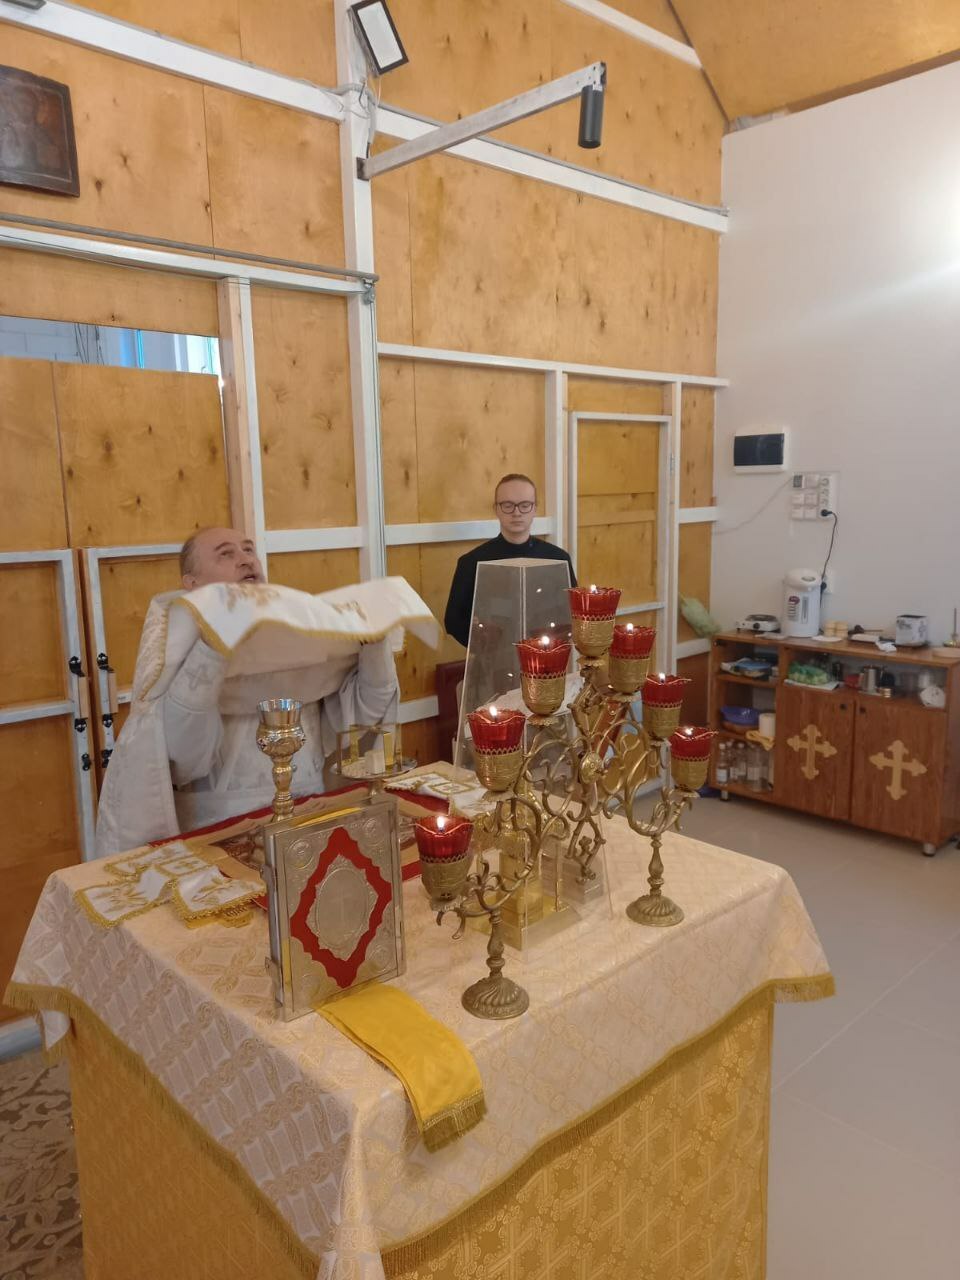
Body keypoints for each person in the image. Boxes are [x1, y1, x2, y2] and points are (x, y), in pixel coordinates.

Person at [94, 526, 399, 853]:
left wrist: (374, 644)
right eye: (226, 554)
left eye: (249, 550)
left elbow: (362, 719)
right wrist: (212, 650)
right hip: (222, 832)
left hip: (311, 816)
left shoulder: (300, 628)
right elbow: (184, 760)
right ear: (191, 583)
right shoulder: (176, 646)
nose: (245, 560)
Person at [444, 474, 575, 647]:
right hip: (493, 658)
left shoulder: (558, 559)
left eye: (525, 505)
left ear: (535, 509)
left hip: (546, 656)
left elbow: (572, 613)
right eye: (507, 505)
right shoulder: (471, 562)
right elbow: (453, 620)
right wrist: (482, 645)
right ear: (496, 509)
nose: (516, 512)